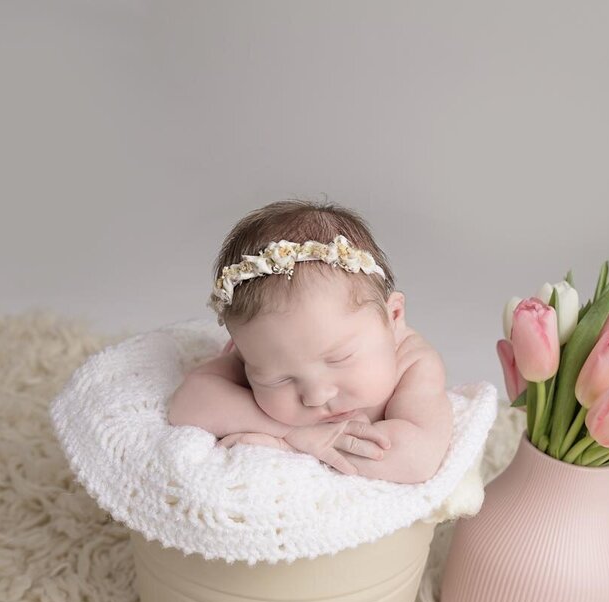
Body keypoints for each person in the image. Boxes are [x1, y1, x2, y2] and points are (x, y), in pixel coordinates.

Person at [167, 199, 453, 484]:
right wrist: (293, 432)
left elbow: (418, 459)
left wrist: (292, 447)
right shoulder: (265, 350)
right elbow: (188, 403)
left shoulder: (414, 363)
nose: (316, 396)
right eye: (278, 379)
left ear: (393, 317)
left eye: (339, 359)